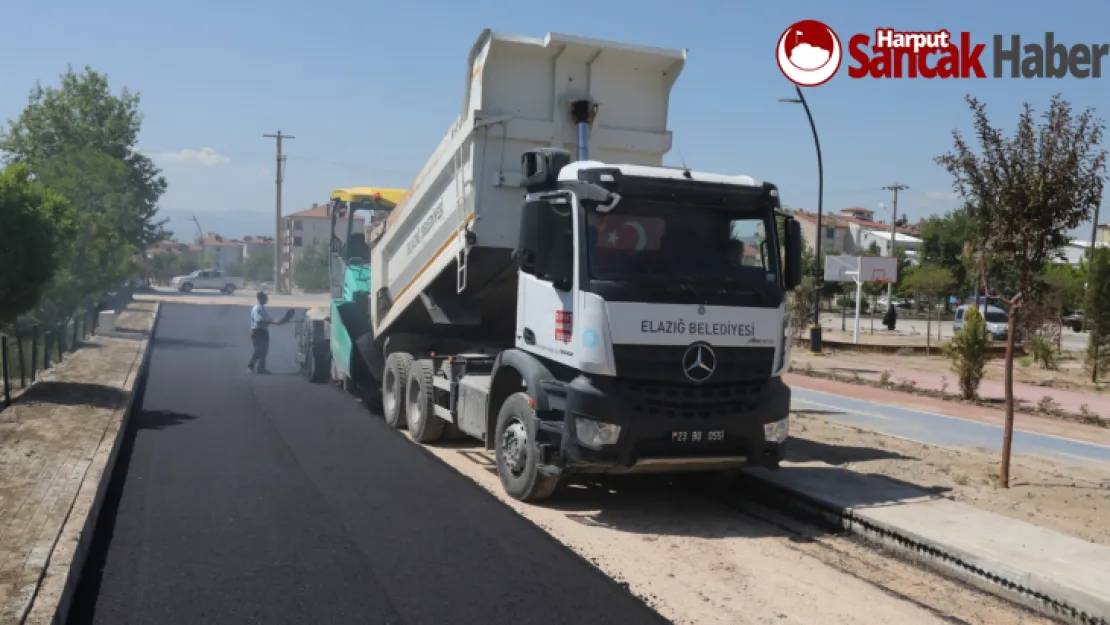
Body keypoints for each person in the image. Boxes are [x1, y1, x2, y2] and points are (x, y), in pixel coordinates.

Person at [248, 291, 287, 373]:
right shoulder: (257, 309)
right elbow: (259, 321)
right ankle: (250, 366)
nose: (267, 299)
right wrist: (274, 322)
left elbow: (268, 319)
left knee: (264, 351)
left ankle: (261, 368)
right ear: (260, 298)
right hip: (258, 331)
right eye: (265, 297)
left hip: (263, 331)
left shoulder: (263, 308)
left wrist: (276, 321)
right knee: (258, 350)